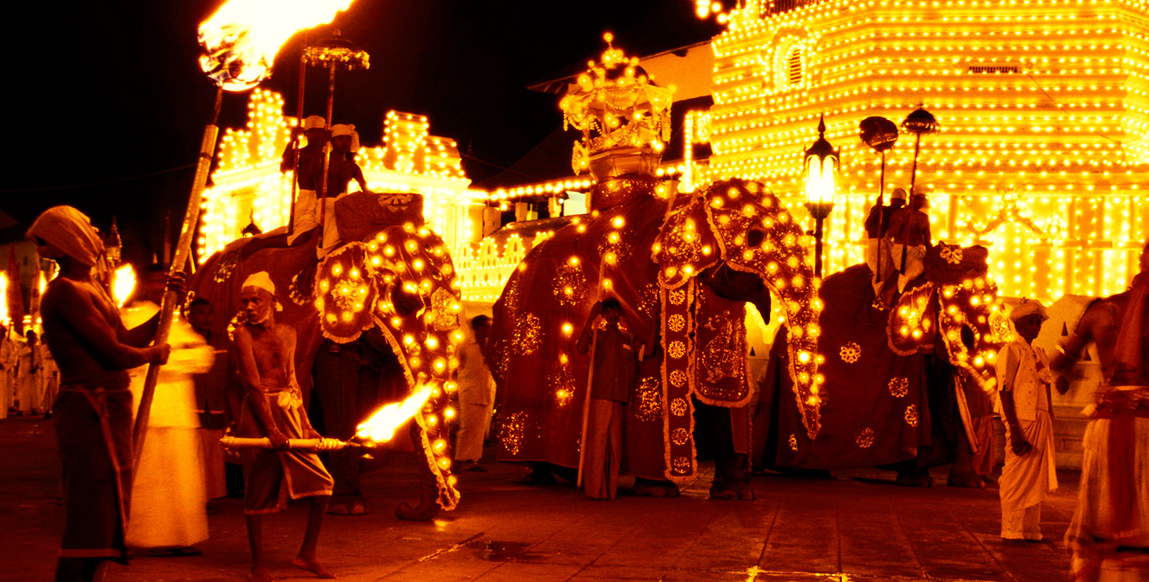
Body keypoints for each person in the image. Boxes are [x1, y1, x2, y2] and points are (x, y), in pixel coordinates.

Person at [28, 206, 172, 582]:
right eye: (87, 227)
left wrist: (167, 311)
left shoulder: (93, 289)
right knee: (88, 523)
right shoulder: (64, 293)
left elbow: (125, 339)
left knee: (105, 521)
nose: (95, 232)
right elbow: (113, 353)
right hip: (89, 411)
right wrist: (151, 355)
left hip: (109, 407)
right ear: (69, 240)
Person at [1051, 240, 1149, 581]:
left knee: (1105, 512)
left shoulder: (1103, 310)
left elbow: (1062, 362)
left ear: (1139, 262)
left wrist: (1065, 370)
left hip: (1109, 423)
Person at [233, 271, 335, 582]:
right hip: (258, 414)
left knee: (324, 483)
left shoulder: (289, 332)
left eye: (255, 300)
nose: (250, 306)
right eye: (245, 301)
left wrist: (306, 424)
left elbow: (292, 379)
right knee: (257, 490)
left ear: (273, 302)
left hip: (288, 412)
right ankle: (256, 564)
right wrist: (270, 430)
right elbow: (252, 385)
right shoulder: (242, 334)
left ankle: (307, 554)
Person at [122, 292, 214, 557]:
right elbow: (129, 358)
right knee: (145, 481)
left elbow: (203, 357)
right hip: (144, 413)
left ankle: (175, 537)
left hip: (177, 413)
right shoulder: (128, 319)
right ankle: (134, 536)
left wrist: (162, 359)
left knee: (179, 481)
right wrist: (157, 358)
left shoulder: (175, 324)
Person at [995, 299, 1060, 542]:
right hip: (1021, 419)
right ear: (1019, 325)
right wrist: (1014, 429)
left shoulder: (1039, 352)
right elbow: (1004, 390)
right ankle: (1011, 529)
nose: (1037, 327)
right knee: (1016, 476)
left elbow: (1046, 383)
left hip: (1040, 418)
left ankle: (1031, 529)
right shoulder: (1010, 351)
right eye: (1032, 322)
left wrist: (1050, 413)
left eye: (1038, 322)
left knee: (1035, 478)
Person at [576, 297, 642, 500]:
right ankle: (595, 489)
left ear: (620, 314)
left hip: (619, 398)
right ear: (603, 315)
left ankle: (611, 490)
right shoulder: (597, 335)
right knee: (598, 443)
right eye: (608, 312)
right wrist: (591, 317)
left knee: (615, 447)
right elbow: (580, 348)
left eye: (616, 312)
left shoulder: (627, 338)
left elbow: (644, 353)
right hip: (600, 395)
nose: (612, 316)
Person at [187, 297, 232, 502]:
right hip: (191, 409)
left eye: (210, 312)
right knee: (192, 458)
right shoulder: (184, 341)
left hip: (215, 408)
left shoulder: (222, 342)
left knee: (212, 457)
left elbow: (230, 377)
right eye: (201, 313)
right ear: (190, 316)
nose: (207, 318)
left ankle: (210, 499)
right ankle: (194, 500)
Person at [317, 123, 370, 255]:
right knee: (333, 233)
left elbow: (366, 189)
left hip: (343, 207)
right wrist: (322, 143)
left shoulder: (352, 166)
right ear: (332, 141)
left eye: (347, 139)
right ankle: (318, 257)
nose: (344, 142)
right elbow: (312, 171)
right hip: (326, 206)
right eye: (340, 138)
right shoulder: (323, 160)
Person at [455, 315, 496, 472]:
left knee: (479, 429)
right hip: (469, 389)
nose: (489, 329)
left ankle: (473, 459)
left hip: (485, 390)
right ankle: (461, 458)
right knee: (468, 426)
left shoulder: (489, 344)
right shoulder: (465, 344)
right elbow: (458, 365)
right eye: (487, 326)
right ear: (478, 327)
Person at [281, 115, 329, 245]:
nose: (316, 134)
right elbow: (284, 167)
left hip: (324, 200)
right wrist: (291, 141)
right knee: (299, 235)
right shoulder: (299, 153)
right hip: (306, 199)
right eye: (312, 131)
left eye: (319, 131)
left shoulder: (329, 155)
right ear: (305, 133)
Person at [886, 189, 932, 293]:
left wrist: (932, 255)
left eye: (923, 200)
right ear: (912, 198)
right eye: (918, 199)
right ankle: (900, 286)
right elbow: (891, 234)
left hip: (919, 251)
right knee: (918, 267)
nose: (921, 202)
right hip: (902, 251)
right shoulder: (899, 213)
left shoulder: (924, 217)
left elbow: (928, 241)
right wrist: (903, 218)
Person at [864, 187, 906, 296]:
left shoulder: (901, 214)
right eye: (895, 200)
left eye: (899, 201)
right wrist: (878, 206)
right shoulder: (881, 209)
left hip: (889, 245)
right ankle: (878, 295)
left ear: (903, 202)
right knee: (880, 272)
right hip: (876, 243)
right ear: (891, 200)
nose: (896, 202)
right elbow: (867, 225)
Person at [17, 330, 43, 414]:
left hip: (34, 371)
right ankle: (23, 408)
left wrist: (36, 367)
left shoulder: (37, 348)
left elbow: (39, 358)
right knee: (25, 390)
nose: (33, 338)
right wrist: (29, 347)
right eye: (31, 336)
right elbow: (21, 353)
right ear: (28, 337)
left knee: (35, 390)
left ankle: (34, 407)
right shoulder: (22, 345)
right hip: (25, 371)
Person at [0, 326, 14, 418]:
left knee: (1, 393)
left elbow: (11, 358)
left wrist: (4, 366)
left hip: (2, 371)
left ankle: (1, 414)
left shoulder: (7, 345)